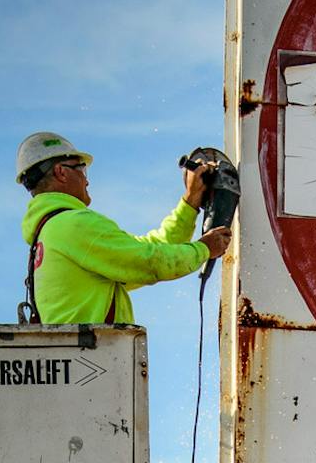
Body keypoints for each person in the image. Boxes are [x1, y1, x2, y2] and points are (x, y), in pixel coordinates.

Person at [16, 132, 234, 324]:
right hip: (98, 361)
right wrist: (204, 249)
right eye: (81, 169)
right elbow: (149, 262)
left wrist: (191, 201)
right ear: (61, 172)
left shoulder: (50, 234)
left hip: (88, 361)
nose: (86, 180)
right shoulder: (73, 224)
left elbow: (148, 251)